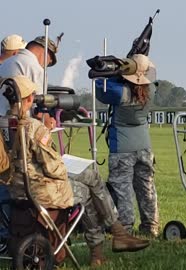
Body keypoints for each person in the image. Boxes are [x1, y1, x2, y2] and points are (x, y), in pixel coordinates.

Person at [4, 75, 150, 267]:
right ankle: (108, 241)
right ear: (29, 99)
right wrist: (58, 152)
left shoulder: (6, 122)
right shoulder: (34, 127)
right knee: (89, 185)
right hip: (41, 191)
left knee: (89, 184)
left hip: (16, 188)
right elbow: (52, 167)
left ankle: (109, 242)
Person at [95, 54, 159, 237]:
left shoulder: (119, 92)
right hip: (145, 145)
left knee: (122, 190)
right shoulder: (152, 90)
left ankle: (125, 228)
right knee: (147, 187)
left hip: (122, 147)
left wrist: (116, 71)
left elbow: (100, 84)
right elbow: (152, 72)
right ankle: (151, 226)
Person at [0, 36, 57, 129]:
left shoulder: (7, 63)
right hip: (18, 126)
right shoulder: (35, 68)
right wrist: (48, 123)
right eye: (49, 62)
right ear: (45, 53)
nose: (47, 64)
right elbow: (39, 109)